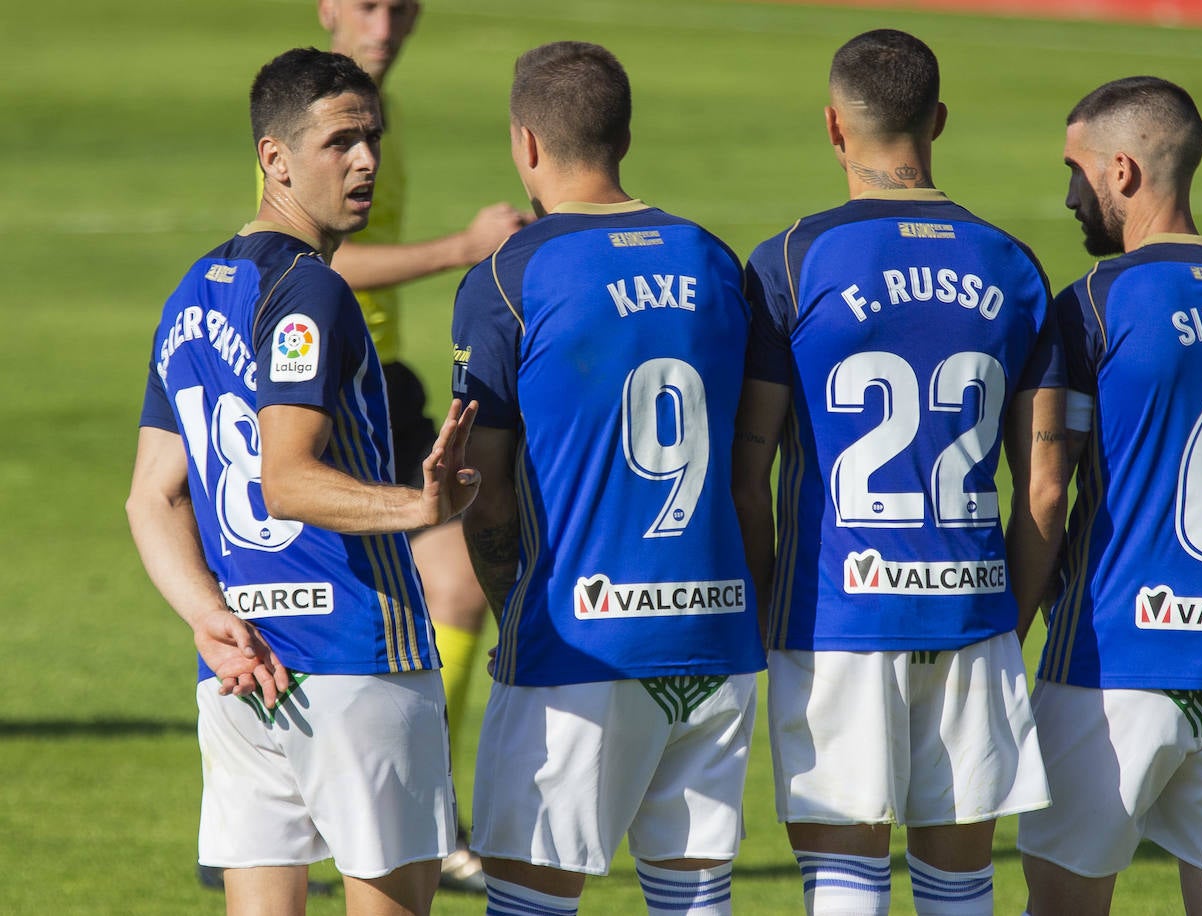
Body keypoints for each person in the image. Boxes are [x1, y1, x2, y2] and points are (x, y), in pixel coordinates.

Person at [126, 47, 481, 915]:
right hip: (359, 663)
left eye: (373, 139)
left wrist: (211, 621)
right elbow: (287, 481)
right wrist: (418, 505)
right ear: (274, 159)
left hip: (245, 669)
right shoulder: (311, 291)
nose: (366, 161)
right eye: (340, 143)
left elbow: (152, 495)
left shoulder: (193, 292)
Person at [732, 29, 1068, 916]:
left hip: (835, 611)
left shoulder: (791, 261)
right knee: (960, 888)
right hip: (973, 612)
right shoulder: (1015, 266)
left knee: (844, 888)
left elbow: (749, 465)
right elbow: (1043, 485)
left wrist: (774, 609)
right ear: (939, 121)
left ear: (835, 128)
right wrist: (1005, 620)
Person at [451, 40, 766, 916]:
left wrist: (513, 596)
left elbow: (485, 484)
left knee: (531, 901)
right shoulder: (712, 259)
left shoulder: (511, 275)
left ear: (525, 143)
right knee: (694, 903)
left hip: (576, 644)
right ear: (624, 135)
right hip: (714, 636)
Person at [239, 1, 524, 893]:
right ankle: (356, 802)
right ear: (326, 7)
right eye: (368, 4)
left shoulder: (364, 114)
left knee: (456, 588)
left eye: (402, 6)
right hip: (320, 388)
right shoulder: (309, 116)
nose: (388, 20)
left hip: (380, 377)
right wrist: (464, 249)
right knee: (363, 593)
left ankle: (410, 803)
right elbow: (308, 260)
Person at [1017, 76, 1202, 916]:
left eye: (1075, 170)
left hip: (1107, 669)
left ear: (1121, 171)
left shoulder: (1094, 307)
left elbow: (1047, 498)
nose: (1068, 194)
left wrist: (1005, 639)